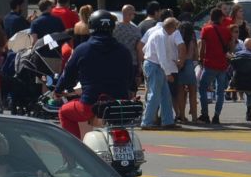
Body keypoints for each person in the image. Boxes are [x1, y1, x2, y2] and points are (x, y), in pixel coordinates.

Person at [53, 10, 135, 139]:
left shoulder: (82, 49)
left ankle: (74, 151)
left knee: (64, 112)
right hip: (119, 105)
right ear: (112, 27)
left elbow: (68, 75)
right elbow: (131, 78)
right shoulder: (124, 50)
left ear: (91, 26)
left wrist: (58, 90)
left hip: (90, 103)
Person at [140, 17, 181, 129]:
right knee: (155, 95)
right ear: (171, 27)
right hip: (155, 66)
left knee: (165, 94)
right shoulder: (161, 36)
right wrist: (168, 73)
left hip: (155, 65)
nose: (176, 30)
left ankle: (167, 121)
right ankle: (147, 122)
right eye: (175, 27)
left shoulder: (160, 34)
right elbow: (162, 57)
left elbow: (145, 49)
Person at [197, 8, 234, 124]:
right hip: (222, 64)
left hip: (209, 63)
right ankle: (216, 116)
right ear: (220, 17)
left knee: (202, 87)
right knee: (220, 91)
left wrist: (200, 59)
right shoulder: (226, 31)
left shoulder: (206, 29)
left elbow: (202, 47)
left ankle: (205, 114)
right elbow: (231, 48)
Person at [230, 38, 251, 121]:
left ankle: (249, 111)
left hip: (239, 84)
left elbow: (230, 71)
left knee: (248, 91)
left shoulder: (236, 55)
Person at [174, 16, 199, 123]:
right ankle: (194, 117)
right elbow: (196, 56)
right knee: (193, 93)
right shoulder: (193, 41)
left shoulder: (178, 40)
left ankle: (182, 116)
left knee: (180, 91)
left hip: (180, 65)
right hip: (189, 65)